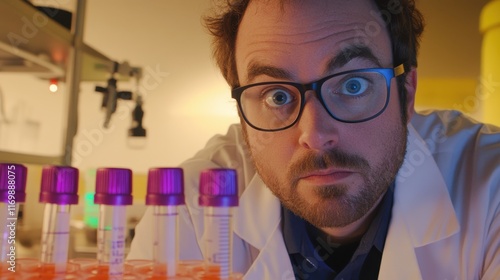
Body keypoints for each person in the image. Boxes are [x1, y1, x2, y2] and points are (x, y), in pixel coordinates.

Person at [128, 0, 500, 279]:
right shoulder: (191, 208)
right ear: (242, 115)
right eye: (276, 95)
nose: (315, 135)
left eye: (353, 85)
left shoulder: (491, 184)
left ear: (406, 93)